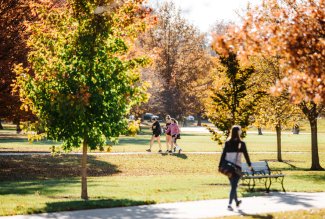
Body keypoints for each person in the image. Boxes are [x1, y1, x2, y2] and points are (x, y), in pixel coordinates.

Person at [218, 125, 253, 211]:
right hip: (237, 168)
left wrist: (220, 166)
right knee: (234, 186)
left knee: (233, 185)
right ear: (238, 132)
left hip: (228, 168)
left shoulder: (227, 143)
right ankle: (229, 204)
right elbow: (246, 155)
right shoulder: (241, 144)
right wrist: (250, 165)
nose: (241, 131)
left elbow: (223, 155)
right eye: (240, 130)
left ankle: (236, 201)